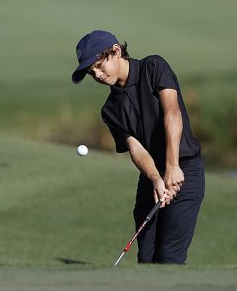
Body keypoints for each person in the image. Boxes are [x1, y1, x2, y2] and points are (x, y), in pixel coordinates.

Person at [71, 30, 204, 264]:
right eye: (92, 72)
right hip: (151, 176)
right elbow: (137, 149)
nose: (97, 75)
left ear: (116, 51)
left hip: (184, 168)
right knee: (147, 258)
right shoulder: (110, 110)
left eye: (99, 66)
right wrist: (156, 179)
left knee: (169, 256)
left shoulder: (153, 67)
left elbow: (172, 114)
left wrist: (172, 166)